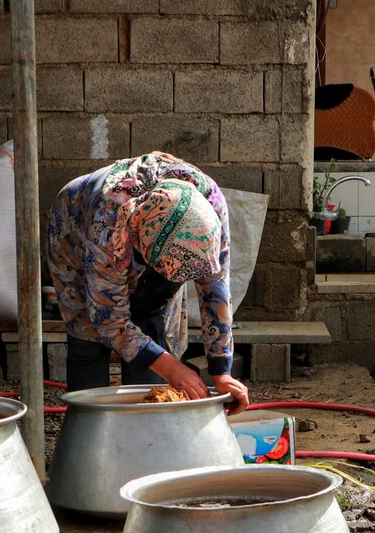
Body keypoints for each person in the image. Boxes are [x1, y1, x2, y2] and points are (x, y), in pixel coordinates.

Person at [46, 151, 250, 414]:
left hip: (154, 240)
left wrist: (221, 371)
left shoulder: (211, 205)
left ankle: (149, 432)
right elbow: (109, 318)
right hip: (77, 229)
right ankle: (87, 434)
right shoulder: (107, 220)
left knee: (154, 323)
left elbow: (216, 289)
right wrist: (172, 368)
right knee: (89, 337)